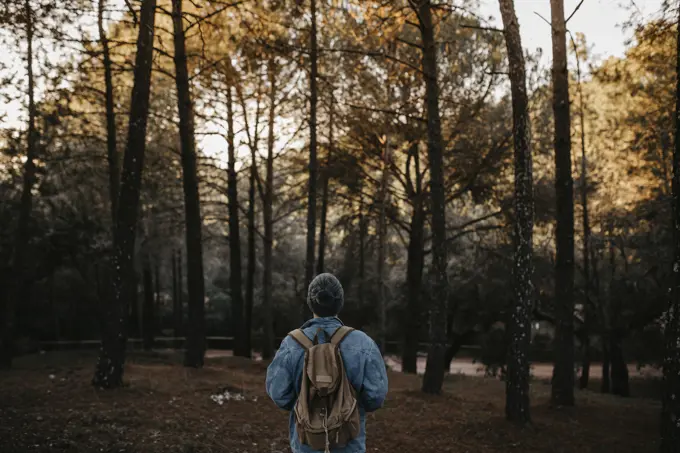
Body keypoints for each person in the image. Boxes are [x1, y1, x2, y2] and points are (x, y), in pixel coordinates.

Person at [265, 273, 389, 453]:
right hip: (349, 444)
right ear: (340, 302)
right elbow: (375, 397)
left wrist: (307, 402)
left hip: (306, 443)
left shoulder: (291, 344)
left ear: (310, 302)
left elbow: (279, 395)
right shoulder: (363, 343)